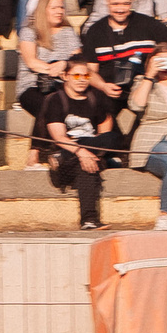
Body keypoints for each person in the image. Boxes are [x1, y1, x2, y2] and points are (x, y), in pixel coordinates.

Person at [39, 57, 122, 229]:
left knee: (112, 139)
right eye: (76, 76)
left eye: (86, 76)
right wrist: (81, 152)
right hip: (68, 155)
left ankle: (89, 221)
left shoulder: (95, 97)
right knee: (87, 166)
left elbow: (104, 131)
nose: (82, 80)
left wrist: (86, 151)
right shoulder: (55, 100)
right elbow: (59, 137)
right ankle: (89, 220)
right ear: (65, 76)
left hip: (78, 154)